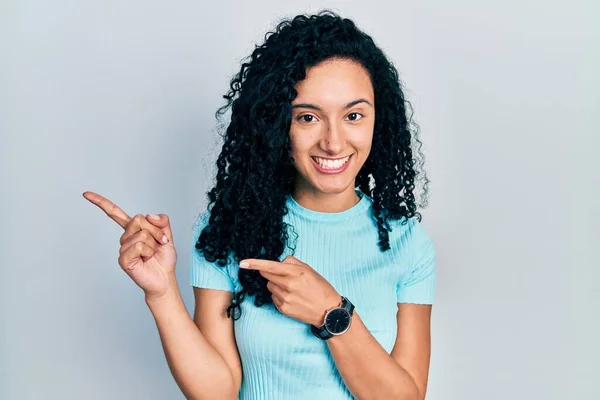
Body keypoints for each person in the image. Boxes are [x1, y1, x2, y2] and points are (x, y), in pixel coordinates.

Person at [83, 10, 436, 400]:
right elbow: (217, 392)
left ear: (378, 121)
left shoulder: (408, 244)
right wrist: (162, 293)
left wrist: (331, 312)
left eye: (353, 115)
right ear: (275, 124)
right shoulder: (226, 231)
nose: (334, 143)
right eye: (307, 117)